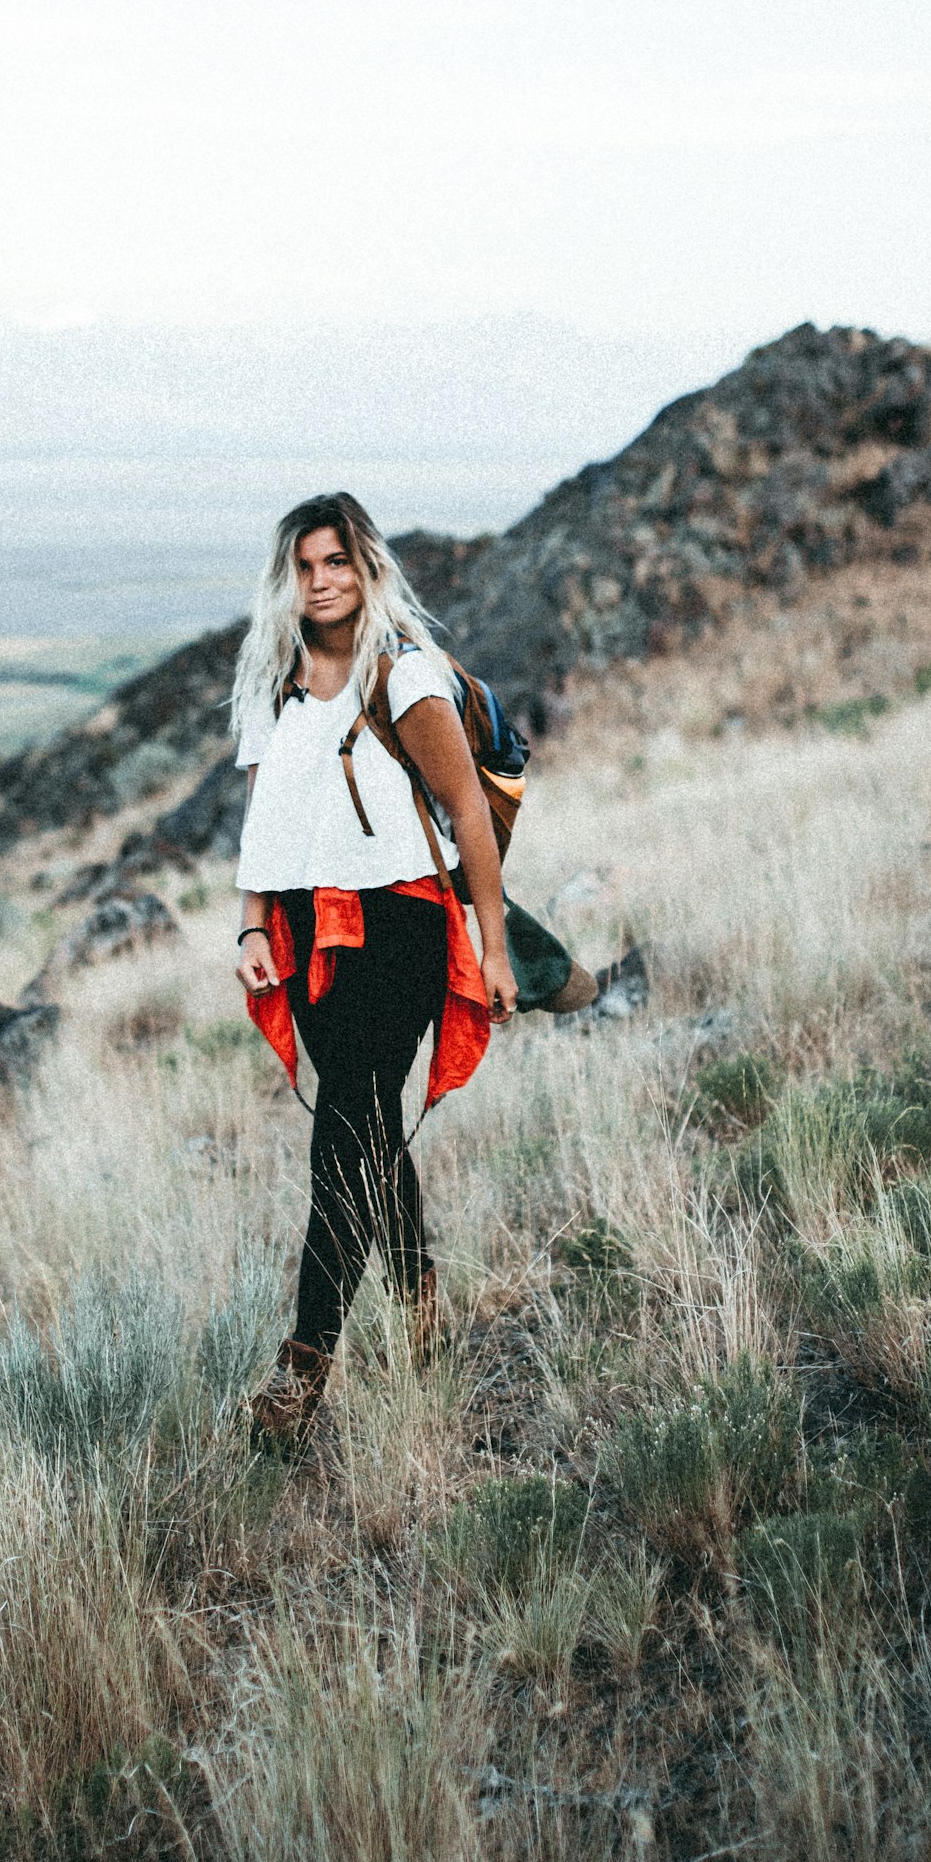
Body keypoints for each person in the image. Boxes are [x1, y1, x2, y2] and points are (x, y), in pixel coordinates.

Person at [232, 491, 518, 1443]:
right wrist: (252, 927)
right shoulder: (274, 681)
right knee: (369, 1124)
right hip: (310, 932)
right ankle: (421, 1300)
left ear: (367, 567)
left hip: (400, 924)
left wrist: (493, 942)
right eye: (306, 567)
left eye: (337, 562)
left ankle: (297, 1379)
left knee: (341, 1136)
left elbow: (468, 811)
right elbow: (265, 819)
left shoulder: (405, 674)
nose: (321, 582)